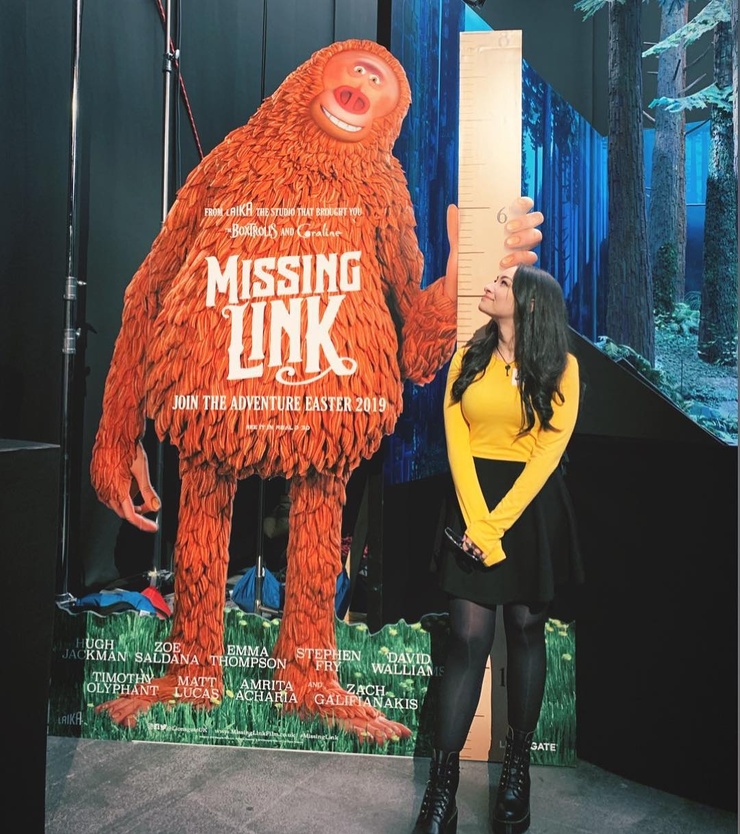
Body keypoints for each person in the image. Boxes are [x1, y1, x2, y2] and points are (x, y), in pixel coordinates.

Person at [411, 262, 583, 834]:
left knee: (526, 631)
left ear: (530, 304)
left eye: (504, 283)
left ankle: (516, 771)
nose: (490, 284)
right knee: (467, 640)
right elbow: (455, 441)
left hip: (531, 510)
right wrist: (476, 521)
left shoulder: (563, 367)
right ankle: (442, 791)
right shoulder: (467, 357)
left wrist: (496, 527)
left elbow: (547, 455)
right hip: (472, 503)